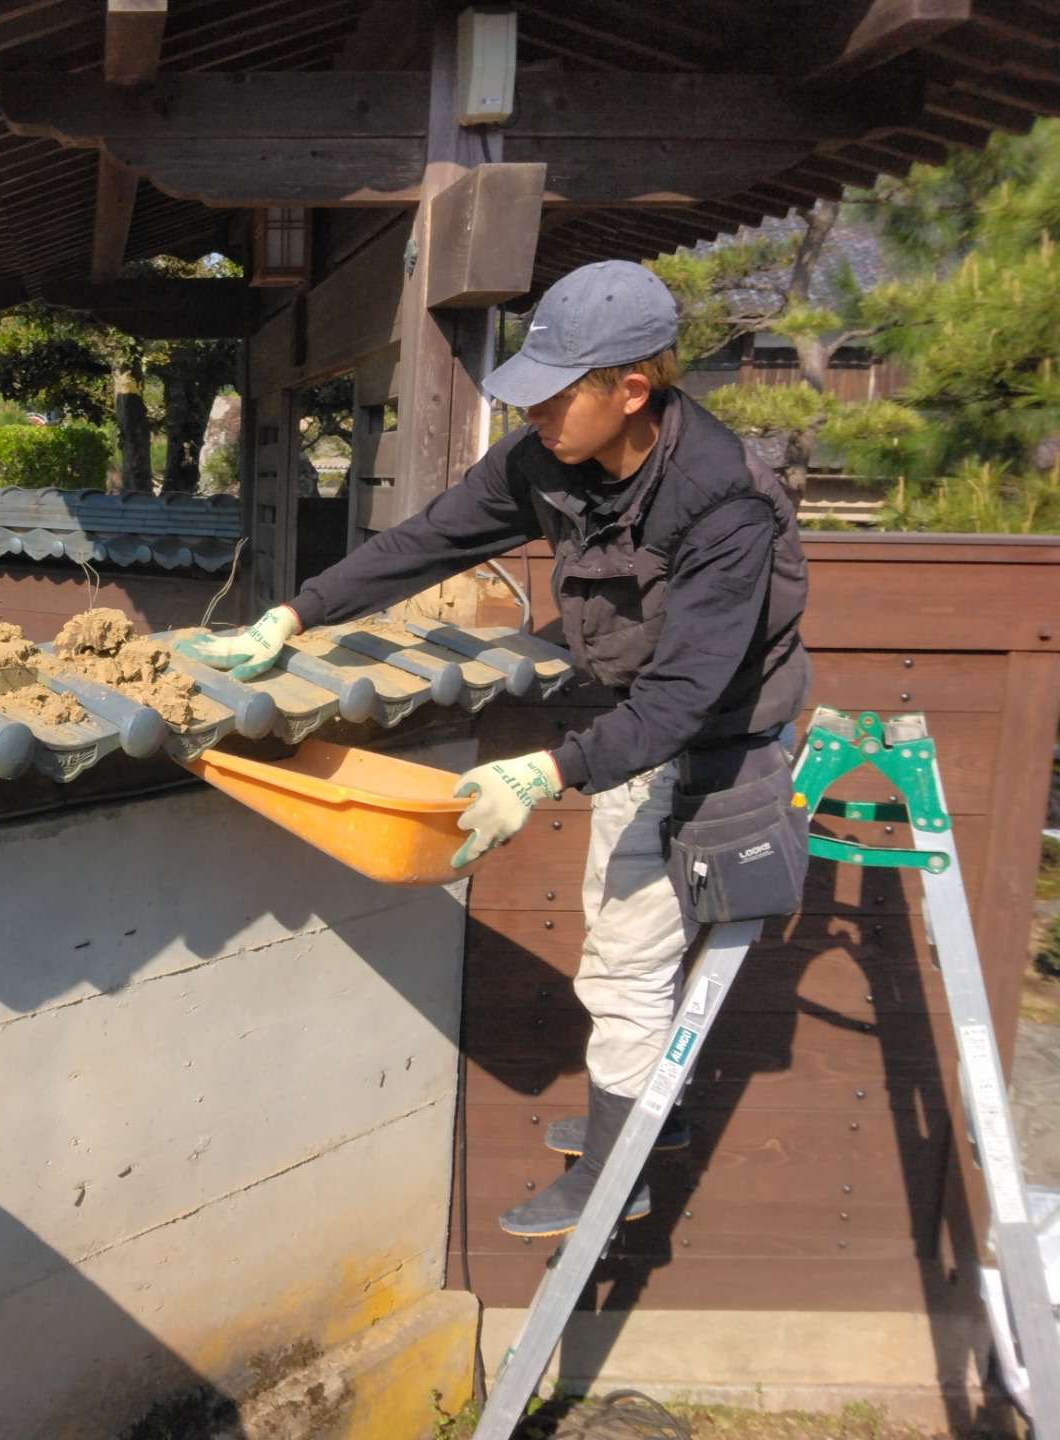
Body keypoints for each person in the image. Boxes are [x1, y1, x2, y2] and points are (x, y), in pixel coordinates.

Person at [177, 259, 809, 1238]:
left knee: (623, 959)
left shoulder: (721, 499)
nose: (534, 418)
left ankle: (614, 1174)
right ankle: (639, 1117)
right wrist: (289, 619)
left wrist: (542, 770)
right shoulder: (547, 461)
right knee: (630, 944)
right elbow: (426, 541)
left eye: (555, 398)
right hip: (639, 716)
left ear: (632, 390)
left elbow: (687, 693)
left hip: (715, 737)